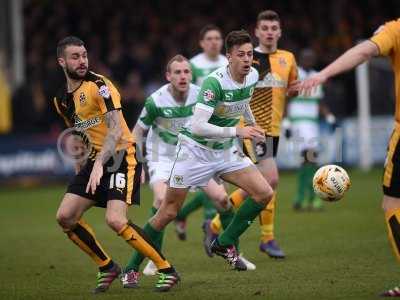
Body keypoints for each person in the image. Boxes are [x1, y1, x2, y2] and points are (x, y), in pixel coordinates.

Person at [129, 30, 273, 273]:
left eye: (250, 54)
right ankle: (133, 267)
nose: (247, 59)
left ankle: (226, 245)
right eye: (241, 55)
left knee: (261, 193)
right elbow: (197, 126)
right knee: (167, 211)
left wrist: (250, 122)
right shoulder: (212, 83)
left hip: (223, 151)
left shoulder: (252, 76)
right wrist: (238, 132)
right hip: (192, 153)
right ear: (229, 57)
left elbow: (243, 100)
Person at [53, 36, 179, 293]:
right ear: (61, 61)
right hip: (93, 161)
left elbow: (115, 130)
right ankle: (107, 266)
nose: (82, 61)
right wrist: (82, 168)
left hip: (120, 157)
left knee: (115, 220)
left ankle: (166, 269)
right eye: (75, 57)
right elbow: (78, 136)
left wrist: (100, 162)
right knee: (65, 217)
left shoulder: (100, 85)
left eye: (84, 55)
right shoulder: (61, 100)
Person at [295, 19, 400, 297]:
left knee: (393, 202)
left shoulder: (396, 29)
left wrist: (324, 75)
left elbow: (364, 51)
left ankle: (306, 197)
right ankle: (303, 198)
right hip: (300, 128)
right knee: (307, 162)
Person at [207, 10, 298, 258]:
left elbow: (291, 90)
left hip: (274, 129)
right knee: (271, 179)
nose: (269, 32)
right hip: (253, 130)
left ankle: (215, 224)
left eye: (273, 28)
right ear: (257, 31)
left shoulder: (288, 59)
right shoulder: (248, 59)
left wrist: (296, 92)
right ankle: (267, 238)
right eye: (265, 28)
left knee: (255, 187)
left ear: (280, 31)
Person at [174, 25, 229, 241]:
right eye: (210, 38)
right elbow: (187, 94)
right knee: (210, 179)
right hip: (200, 128)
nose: (214, 42)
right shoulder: (194, 65)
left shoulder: (227, 63)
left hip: (222, 126)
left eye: (217, 38)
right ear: (202, 42)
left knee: (215, 183)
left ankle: (183, 215)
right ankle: (209, 223)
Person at [287, 48, 335, 211]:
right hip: (298, 122)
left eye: (311, 58)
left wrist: (329, 116)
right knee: (309, 158)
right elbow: (286, 99)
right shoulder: (295, 75)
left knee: (308, 159)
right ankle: (310, 197)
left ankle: (302, 198)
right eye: (306, 58)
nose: (309, 60)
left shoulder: (316, 76)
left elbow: (319, 102)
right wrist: (285, 121)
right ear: (301, 59)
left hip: (312, 123)